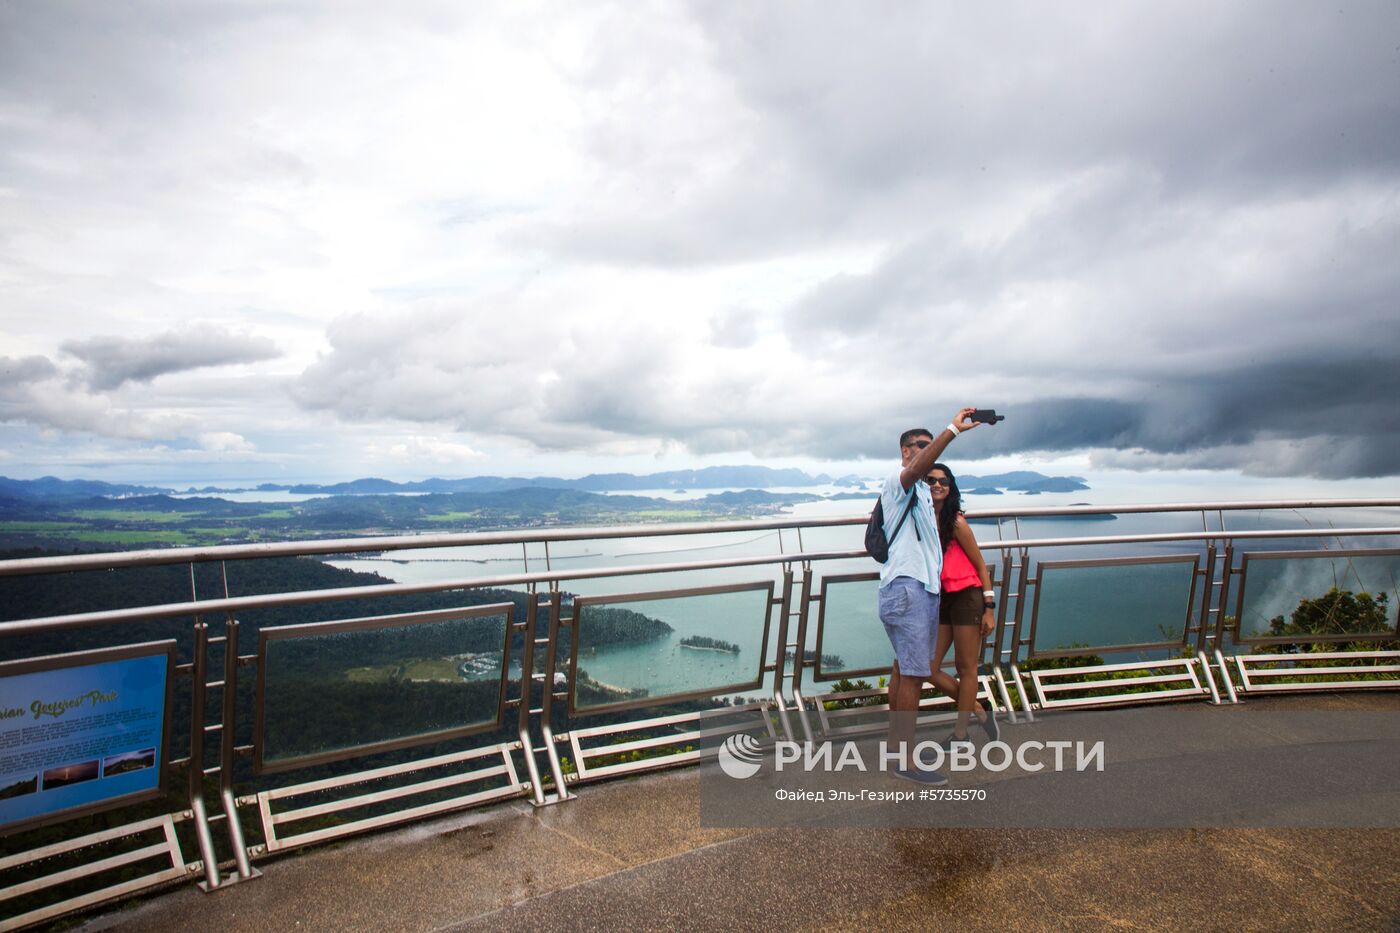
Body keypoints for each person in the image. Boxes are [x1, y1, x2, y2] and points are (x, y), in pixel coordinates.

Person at [878, 409, 982, 785]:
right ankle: (904, 761)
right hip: (908, 589)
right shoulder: (900, 481)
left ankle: (897, 749)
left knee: (903, 670)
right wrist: (952, 430)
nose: (928, 450)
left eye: (930, 444)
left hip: (915, 590)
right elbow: (918, 469)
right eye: (921, 446)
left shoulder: (922, 491)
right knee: (912, 676)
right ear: (906, 452)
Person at [925, 462, 999, 749]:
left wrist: (989, 608)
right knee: (928, 667)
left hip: (968, 596)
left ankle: (960, 735)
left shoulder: (956, 522)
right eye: (931, 480)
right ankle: (979, 709)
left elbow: (980, 564)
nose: (937, 485)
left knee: (966, 668)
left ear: (951, 486)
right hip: (943, 597)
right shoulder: (924, 519)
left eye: (943, 481)